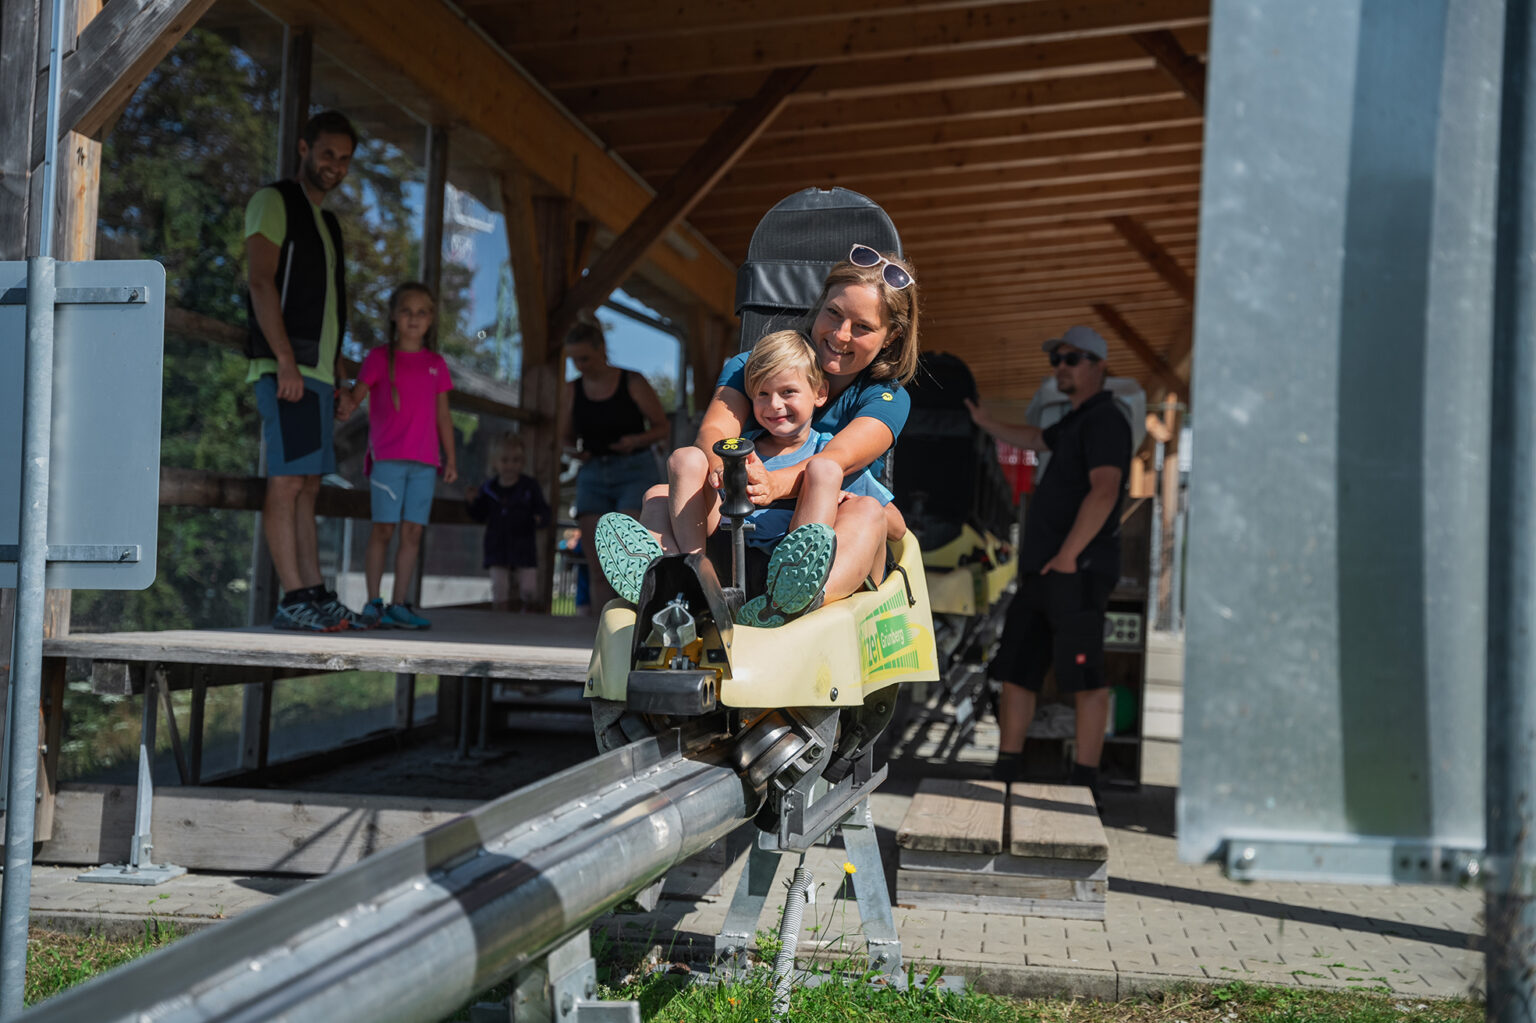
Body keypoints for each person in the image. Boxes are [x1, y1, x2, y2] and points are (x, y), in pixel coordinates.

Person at [639, 246, 918, 618]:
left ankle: (796, 602)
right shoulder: (754, 365)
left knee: (865, 509)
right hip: (741, 532)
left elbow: (836, 461)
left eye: (863, 327)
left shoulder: (886, 398)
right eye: (833, 313)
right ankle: (679, 584)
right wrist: (724, 473)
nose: (841, 334)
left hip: (822, 531)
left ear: (890, 336)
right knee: (660, 495)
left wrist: (766, 484)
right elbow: (715, 433)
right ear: (818, 306)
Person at [595, 330, 904, 626]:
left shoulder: (826, 453)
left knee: (824, 471)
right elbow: (701, 482)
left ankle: (794, 595)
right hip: (727, 560)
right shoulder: (742, 450)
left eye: (788, 392)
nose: (774, 405)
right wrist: (718, 473)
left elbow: (895, 526)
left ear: (820, 392)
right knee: (680, 465)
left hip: (784, 570)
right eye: (762, 395)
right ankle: (687, 578)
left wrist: (845, 499)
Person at [964, 325, 1133, 801]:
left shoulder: (1106, 419)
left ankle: (1084, 783)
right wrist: (982, 421)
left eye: (1071, 359)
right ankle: (1007, 771)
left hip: (1074, 570)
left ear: (1098, 365)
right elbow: (1036, 437)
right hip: (1042, 571)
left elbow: (1105, 490)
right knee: (1018, 668)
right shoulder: (1076, 419)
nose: (1060, 366)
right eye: (1056, 359)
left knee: (1085, 675)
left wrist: (1067, 555)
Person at [245, 109, 361, 632]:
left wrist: (336, 373)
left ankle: (314, 591)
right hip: (285, 369)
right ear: (304, 148)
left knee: (310, 484)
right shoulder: (274, 201)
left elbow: (332, 303)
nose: (335, 165)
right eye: (328, 153)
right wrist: (286, 361)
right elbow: (261, 281)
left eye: (345, 158)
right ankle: (292, 597)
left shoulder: (329, 223)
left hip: (318, 374)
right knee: (287, 482)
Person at [345, 282, 457, 630]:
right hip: (388, 461)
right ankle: (373, 602)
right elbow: (356, 395)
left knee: (412, 534)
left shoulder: (436, 364)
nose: (414, 318)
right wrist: (345, 403)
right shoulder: (378, 358)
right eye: (406, 311)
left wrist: (450, 458)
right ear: (394, 316)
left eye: (422, 312)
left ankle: (399, 603)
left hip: (425, 463)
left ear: (431, 319)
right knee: (383, 529)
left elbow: (443, 416)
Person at [558, 321, 670, 611]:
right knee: (597, 562)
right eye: (574, 359)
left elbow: (661, 427)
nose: (579, 365)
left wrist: (635, 440)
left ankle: (634, 628)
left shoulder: (632, 381)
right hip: (593, 471)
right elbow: (564, 436)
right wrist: (575, 452)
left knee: (630, 558)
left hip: (634, 468)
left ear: (602, 350)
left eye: (584, 358)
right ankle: (598, 632)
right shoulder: (573, 390)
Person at [466, 433, 552, 612]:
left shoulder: (529, 487)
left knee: (529, 588)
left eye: (516, 460)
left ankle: (527, 614)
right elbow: (480, 515)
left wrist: (540, 519)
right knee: (499, 587)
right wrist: (472, 502)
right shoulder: (489, 489)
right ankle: (500, 620)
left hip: (524, 545)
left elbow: (543, 510)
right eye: (505, 460)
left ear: (522, 462)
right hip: (497, 546)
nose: (510, 466)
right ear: (495, 463)